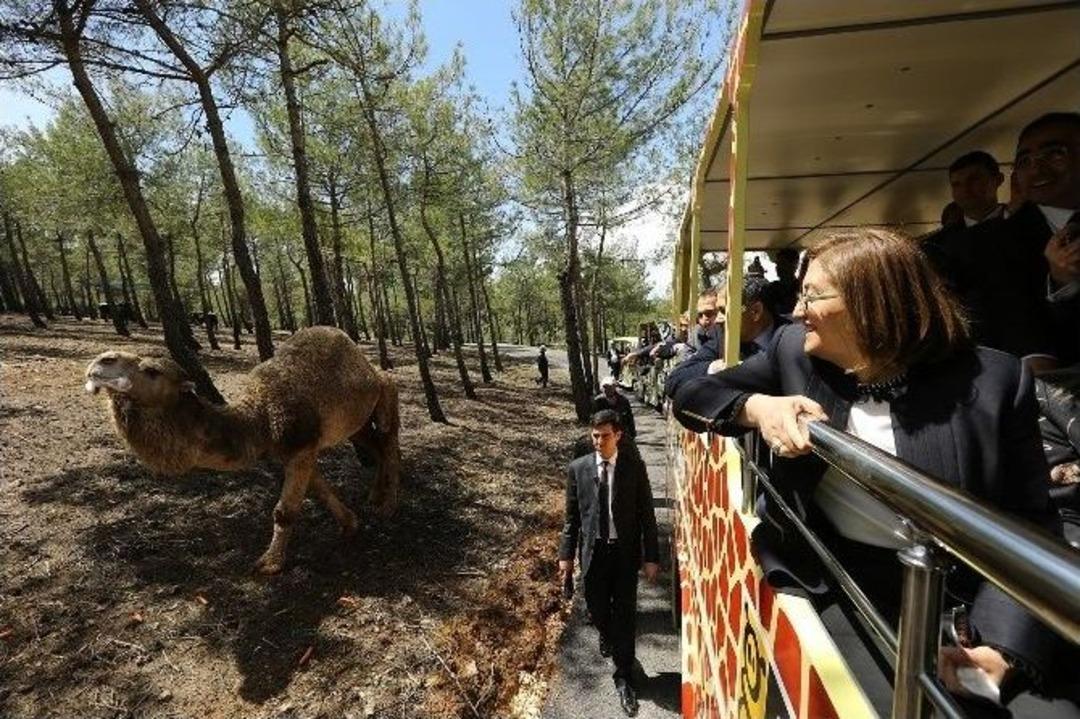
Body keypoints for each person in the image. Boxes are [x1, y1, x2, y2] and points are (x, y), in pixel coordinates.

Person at [672, 229, 1068, 714]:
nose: (796, 311)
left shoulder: (995, 382)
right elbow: (691, 396)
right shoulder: (794, 352)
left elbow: (1030, 520)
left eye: (812, 296)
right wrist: (759, 408)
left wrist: (1004, 649)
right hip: (835, 579)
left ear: (874, 303)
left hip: (963, 598)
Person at [944, 113, 1080, 367]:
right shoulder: (985, 246)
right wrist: (1063, 285)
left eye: (1054, 154)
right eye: (1024, 161)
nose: (1036, 169)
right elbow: (1012, 327)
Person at [559, 410, 659, 717]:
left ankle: (624, 677)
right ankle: (606, 630)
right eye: (594, 436)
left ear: (618, 435)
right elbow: (572, 519)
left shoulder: (634, 468)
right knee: (598, 610)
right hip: (593, 555)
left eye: (604, 435)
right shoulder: (578, 469)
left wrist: (652, 557)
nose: (598, 441)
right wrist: (565, 556)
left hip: (624, 555)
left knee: (625, 617)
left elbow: (647, 516)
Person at [766, 247, 800, 317]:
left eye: (783, 263)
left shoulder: (801, 287)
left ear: (794, 265)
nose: (778, 267)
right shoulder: (770, 289)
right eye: (777, 264)